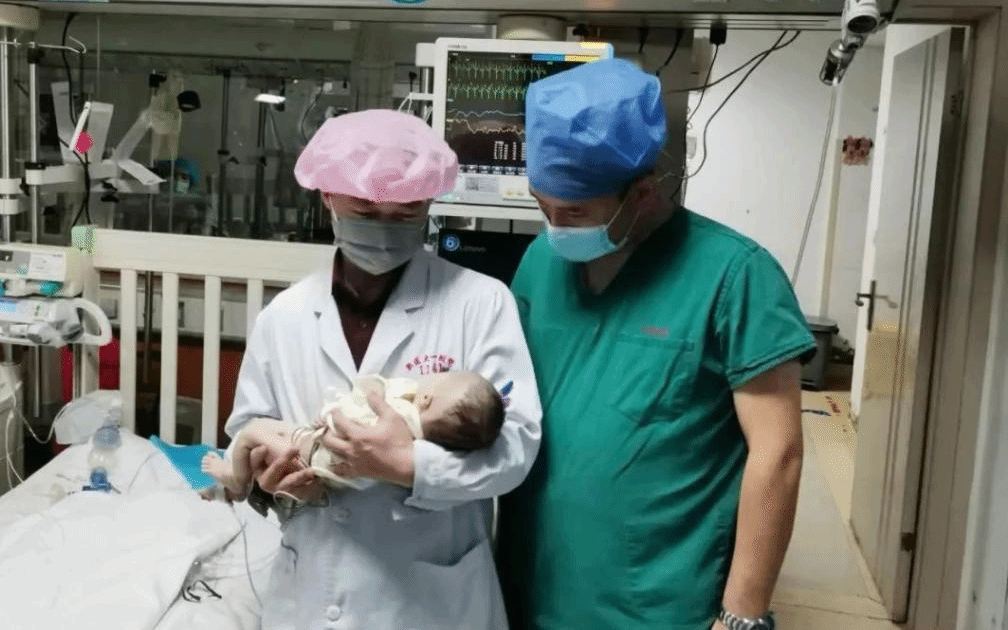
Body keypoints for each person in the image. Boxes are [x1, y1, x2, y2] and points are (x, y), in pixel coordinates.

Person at [496, 58, 815, 630]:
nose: (556, 225)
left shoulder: (736, 275)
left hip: (659, 601)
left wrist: (743, 615)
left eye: (575, 211)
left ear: (642, 193)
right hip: (533, 583)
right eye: (543, 205)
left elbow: (779, 454)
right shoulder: (541, 261)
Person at [224, 108, 542, 630]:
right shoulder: (285, 315)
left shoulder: (480, 303)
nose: (384, 228)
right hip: (312, 586)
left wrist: (408, 464)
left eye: (406, 211)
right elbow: (248, 428)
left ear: (430, 203)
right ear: (328, 197)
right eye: (365, 210)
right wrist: (269, 479)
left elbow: (516, 446)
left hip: (427, 601)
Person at [203, 371, 506, 499]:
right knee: (266, 435)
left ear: (426, 400)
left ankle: (235, 482)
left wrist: (405, 466)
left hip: (317, 453)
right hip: (320, 469)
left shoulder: (399, 411)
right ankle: (230, 485)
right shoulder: (420, 435)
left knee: (253, 432)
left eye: (441, 376)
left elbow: (510, 457)